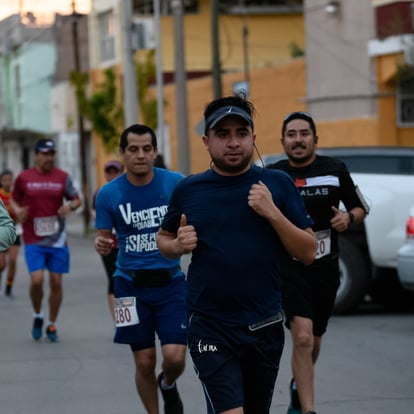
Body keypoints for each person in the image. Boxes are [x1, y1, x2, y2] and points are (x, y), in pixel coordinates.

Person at [157, 94, 316, 414]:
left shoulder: (277, 184)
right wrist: (178, 246)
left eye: (241, 134)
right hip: (209, 323)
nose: (233, 142)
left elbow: (309, 252)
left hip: (264, 324)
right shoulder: (189, 190)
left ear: (253, 138)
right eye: (222, 134)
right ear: (206, 141)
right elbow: (164, 238)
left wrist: (272, 212)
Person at [267, 111, 369, 414]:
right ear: (283, 140)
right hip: (290, 268)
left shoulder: (335, 169)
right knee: (301, 337)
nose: (298, 140)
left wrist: (348, 217)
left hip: (325, 268)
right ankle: (306, 409)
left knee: (314, 341)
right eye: (291, 134)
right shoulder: (274, 175)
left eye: (304, 134)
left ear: (315, 138)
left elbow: (360, 207)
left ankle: (299, 383)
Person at [94, 124, 186, 414]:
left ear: (155, 151)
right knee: (144, 360)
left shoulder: (175, 184)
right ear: (122, 153)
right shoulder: (108, 194)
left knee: (174, 358)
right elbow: (103, 236)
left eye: (147, 149)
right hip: (129, 285)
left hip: (171, 282)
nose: (140, 155)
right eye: (133, 149)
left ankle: (168, 384)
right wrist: (102, 244)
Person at [10, 138, 81, 342]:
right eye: (45, 154)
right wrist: (17, 210)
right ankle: (37, 314)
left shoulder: (62, 177)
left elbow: (77, 199)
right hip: (33, 238)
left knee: (56, 282)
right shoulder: (24, 177)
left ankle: (52, 323)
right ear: (36, 155)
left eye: (52, 154)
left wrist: (70, 207)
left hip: (58, 239)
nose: (49, 158)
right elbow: (14, 199)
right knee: (37, 280)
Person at [91, 160, 124, 320]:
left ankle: (129, 315)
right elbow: (92, 210)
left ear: (121, 172)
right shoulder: (100, 192)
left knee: (127, 280)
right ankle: (117, 319)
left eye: (115, 172)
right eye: (109, 172)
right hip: (109, 243)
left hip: (126, 243)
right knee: (113, 279)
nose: (112, 175)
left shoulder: (127, 190)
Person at [0, 169, 22, 298]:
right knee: (2, 264)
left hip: (15, 229)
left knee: (13, 260)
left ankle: (9, 287)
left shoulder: (16, 195)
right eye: (5, 180)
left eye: (10, 180)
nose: (8, 183)